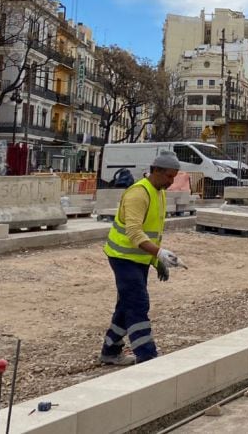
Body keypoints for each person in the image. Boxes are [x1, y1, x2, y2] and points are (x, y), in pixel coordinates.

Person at [100, 152, 186, 366]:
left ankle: (110, 351)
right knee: (138, 303)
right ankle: (147, 355)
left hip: (138, 259)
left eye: (174, 177)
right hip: (122, 258)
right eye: (169, 176)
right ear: (156, 170)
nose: (171, 182)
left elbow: (154, 231)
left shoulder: (159, 192)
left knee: (125, 305)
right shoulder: (138, 194)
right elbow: (134, 233)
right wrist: (159, 254)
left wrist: (158, 262)